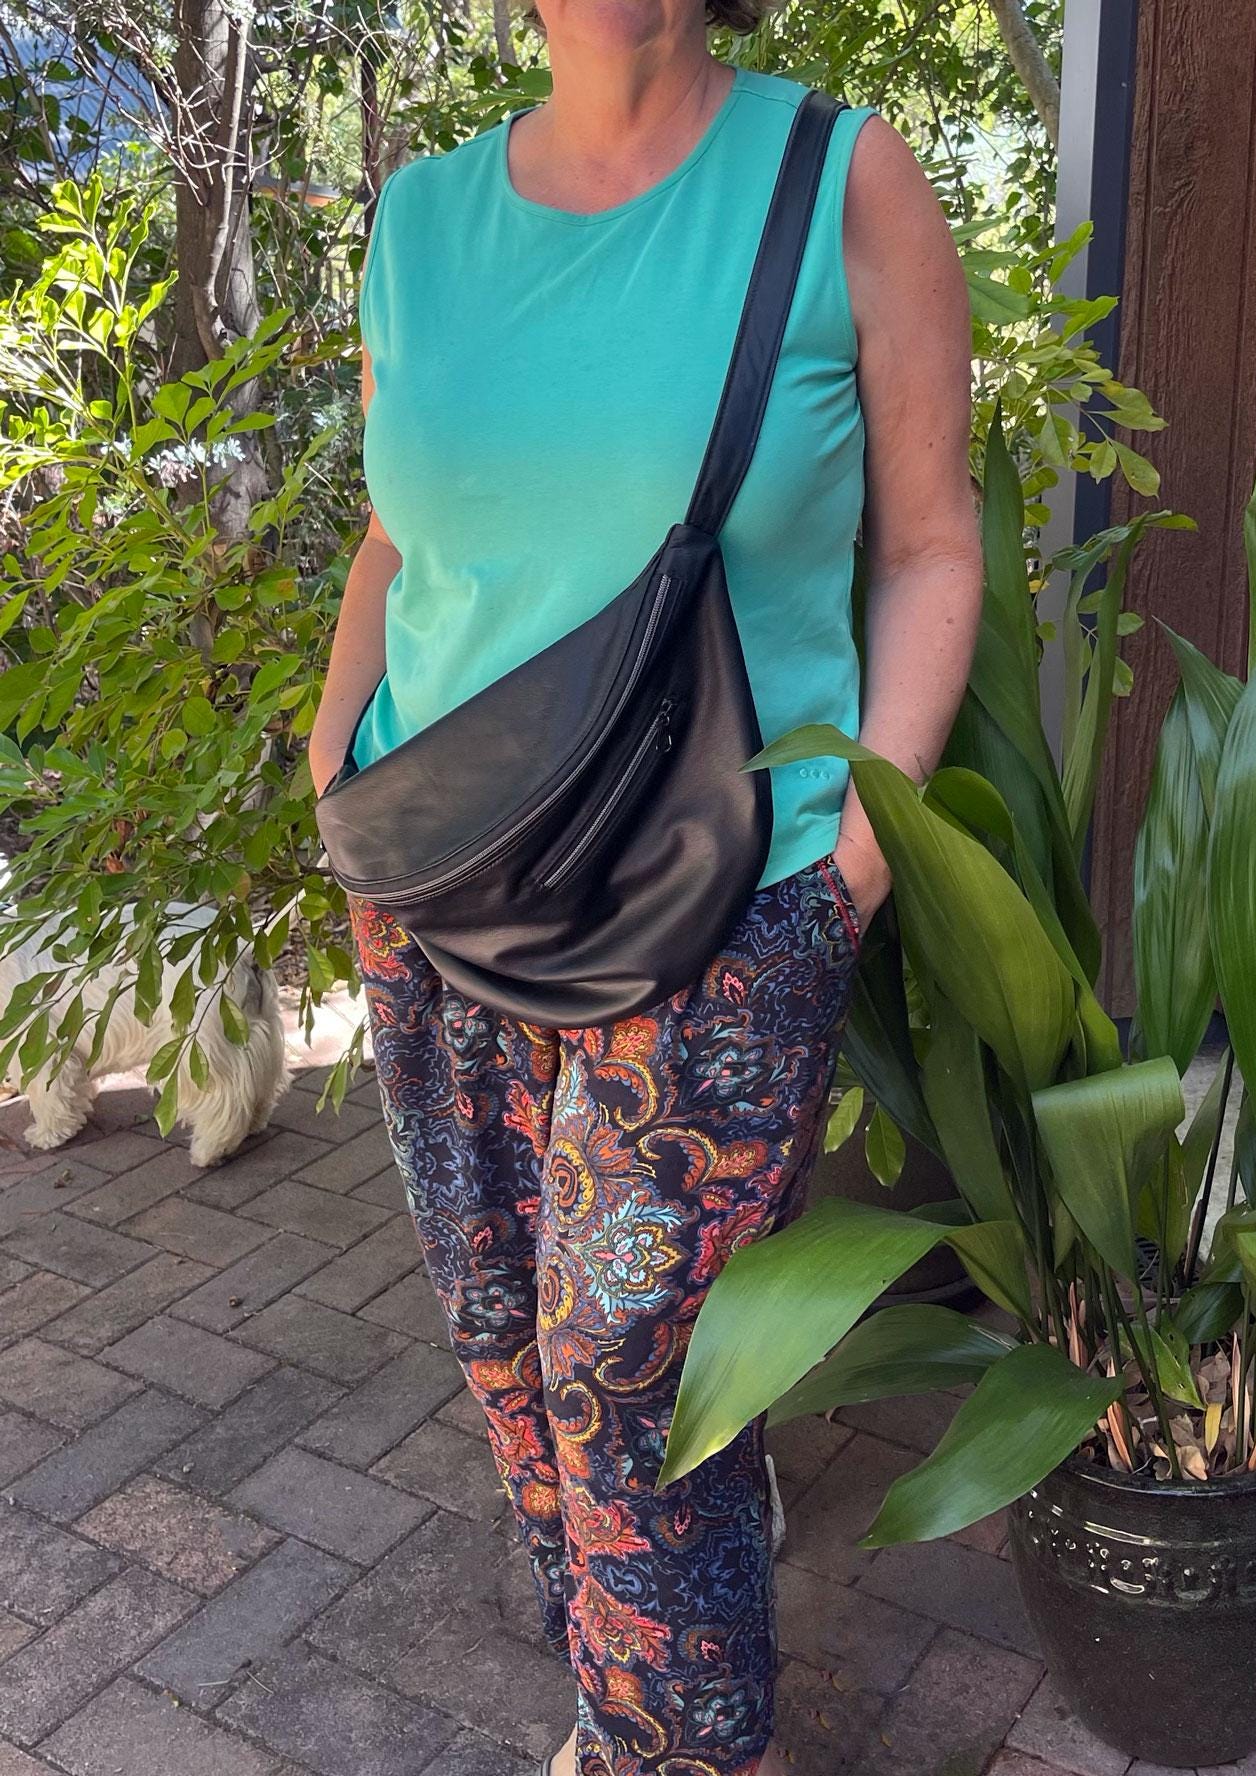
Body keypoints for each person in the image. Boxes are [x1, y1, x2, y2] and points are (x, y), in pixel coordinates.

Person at [308, 4, 979, 1771]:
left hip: (727, 900)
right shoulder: (420, 220)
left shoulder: (838, 182)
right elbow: (396, 540)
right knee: (508, 1347)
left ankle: (672, 1743)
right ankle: (613, 1680)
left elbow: (929, 547)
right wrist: (331, 760)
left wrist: (850, 870)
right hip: (437, 875)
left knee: (628, 1380)